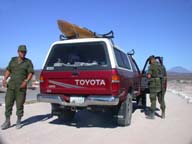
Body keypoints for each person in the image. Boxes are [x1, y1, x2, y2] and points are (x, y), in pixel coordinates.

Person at [1, 45, 34, 130]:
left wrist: (26, 81)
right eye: (22, 51)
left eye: (24, 52)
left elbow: (30, 73)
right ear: (18, 52)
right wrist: (4, 79)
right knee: (8, 104)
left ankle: (18, 121)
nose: (23, 53)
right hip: (11, 86)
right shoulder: (13, 60)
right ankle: (7, 121)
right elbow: (8, 70)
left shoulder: (28, 62)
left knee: (19, 105)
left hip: (21, 87)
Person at [146, 55, 164, 119]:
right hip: (160, 84)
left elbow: (149, 76)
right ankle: (163, 114)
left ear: (151, 60)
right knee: (161, 99)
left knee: (153, 99)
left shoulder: (151, 66)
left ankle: (152, 115)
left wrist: (148, 76)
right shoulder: (161, 66)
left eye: (150, 61)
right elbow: (164, 75)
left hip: (153, 85)